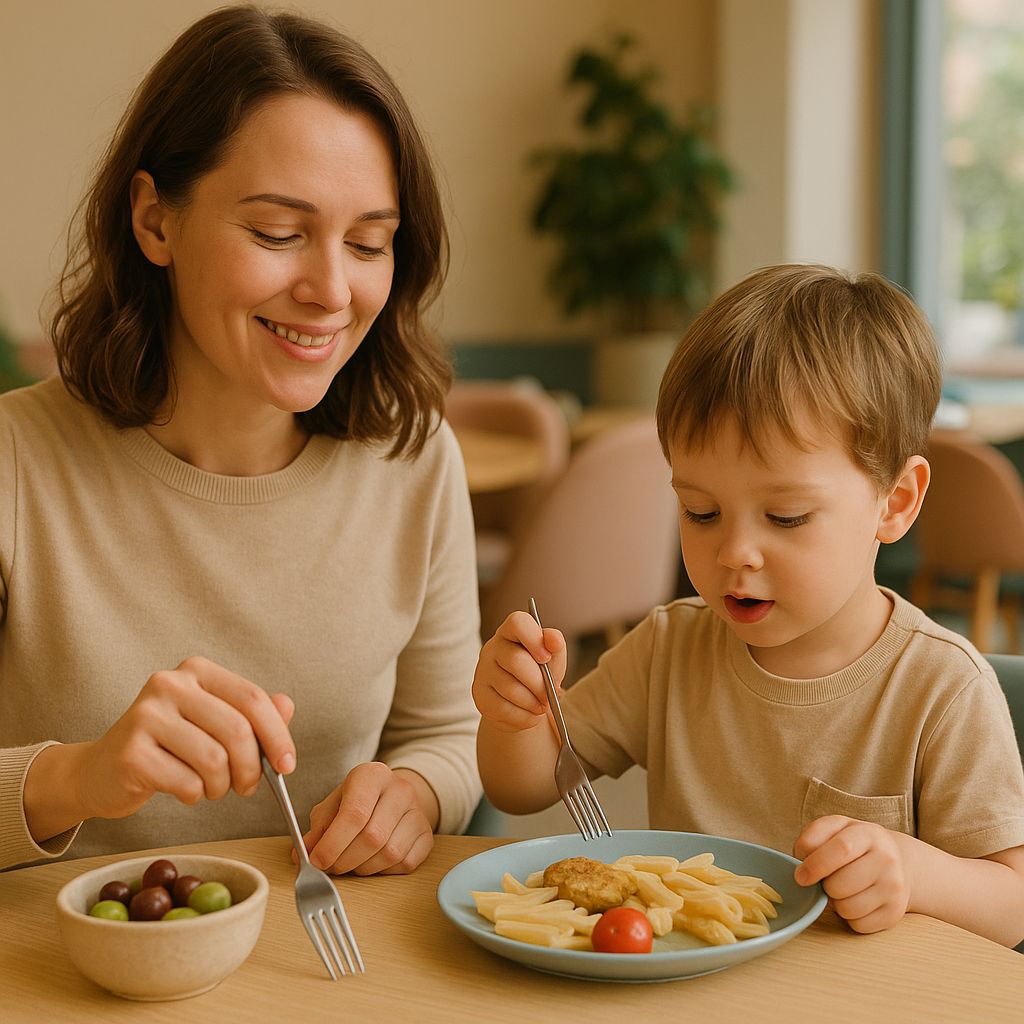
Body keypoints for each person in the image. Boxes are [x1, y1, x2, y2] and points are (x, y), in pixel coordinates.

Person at [0, 5, 483, 874]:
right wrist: (79, 777)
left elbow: (448, 732)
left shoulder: (414, 461)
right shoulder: (14, 464)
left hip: (324, 952)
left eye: (368, 243)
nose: (331, 290)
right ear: (155, 221)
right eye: (277, 234)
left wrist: (414, 793)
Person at [473, 263, 1024, 947]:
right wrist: (515, 715)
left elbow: (1013, 903)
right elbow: (523, 788)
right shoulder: (668, 647)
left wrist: (914, 873)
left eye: (786, 517)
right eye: (700, 512)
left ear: (896, 502)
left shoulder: (941, 688)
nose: (735, 553)